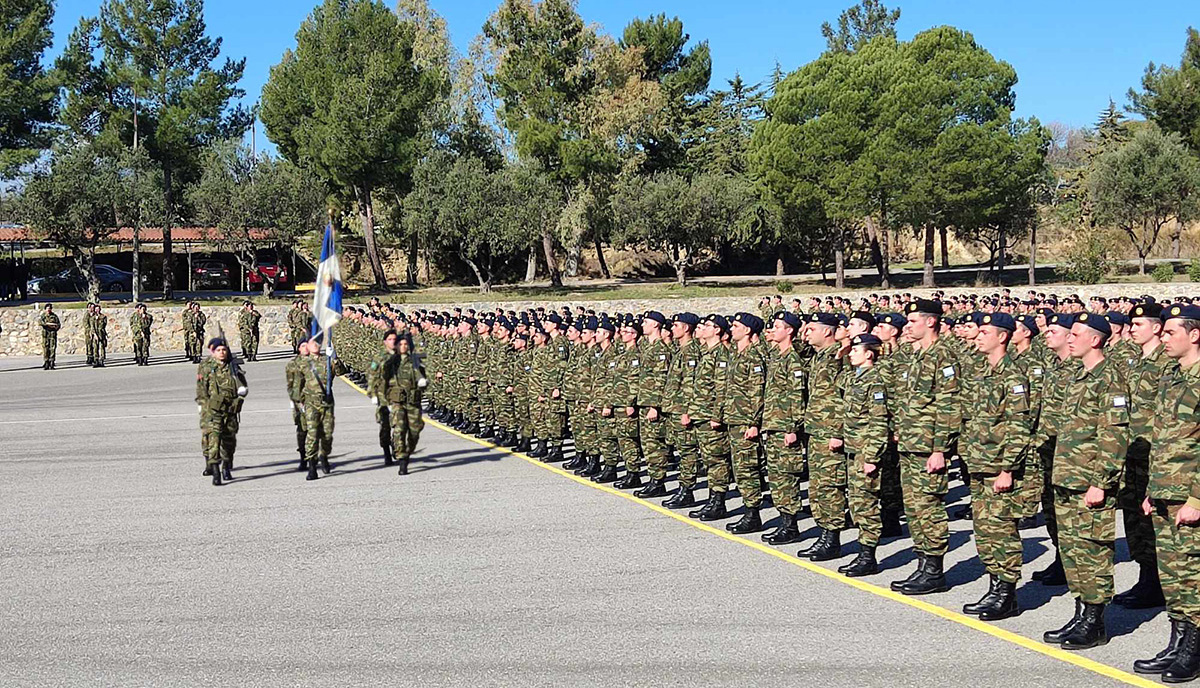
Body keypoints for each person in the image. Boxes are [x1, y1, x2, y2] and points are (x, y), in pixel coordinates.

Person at [1044, 312, 1130, 650]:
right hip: (1068, 478)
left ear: (1095, 339)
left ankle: (1095, 621)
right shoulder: (1080, 377)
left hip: (1090, 482)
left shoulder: (1110, 379)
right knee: (1073, 550)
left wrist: (1101, 482)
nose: (1069, 339)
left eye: (1076, 334)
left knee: (1092, 550)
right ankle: (1081, 611)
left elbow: (1113, 435)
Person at [1136, 304, 1200, 681]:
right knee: (1173, 575)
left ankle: (1194, 648)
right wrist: (1151, 488)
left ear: (1194, 334)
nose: (1163, 337)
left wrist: (1196, 499)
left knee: (1192, 573)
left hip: (1189, 494)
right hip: (1164, 489)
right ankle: (1178, 640)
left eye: (1170, 332)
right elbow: (1162, 439)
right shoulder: (1172, 376)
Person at [960, 313, 1032, 621]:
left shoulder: (1013, 377)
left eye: (985, 332)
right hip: (979, 463)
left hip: (999, 468)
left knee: (1002, 530)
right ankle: (993, 585)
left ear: (1002, 337)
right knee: (985, 530)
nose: (978, 336)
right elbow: (970, 419)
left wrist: (1007, 469)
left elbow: (1019, 427)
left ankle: (1007, 593)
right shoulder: (981, 373)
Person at [891, 299, 960, 596]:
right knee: (915, 508)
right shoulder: (914, 355)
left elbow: (948, 405)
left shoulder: (943, 356)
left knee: (929, 508)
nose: (908, 326)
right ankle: (922, 563)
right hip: (910, 443)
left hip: (929, 446)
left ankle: (934, 570)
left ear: (931, 322)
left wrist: (939, 449)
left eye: (913, 321)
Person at [835, 333, 891, 576]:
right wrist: (841, 356)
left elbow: (879, 422)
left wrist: (872, 457)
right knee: (857, 503)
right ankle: (863, 553)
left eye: (856, 350)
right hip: (853, 448)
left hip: (865, 450)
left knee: (866, 504)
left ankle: (868, 557)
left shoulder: (875, 382)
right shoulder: (855, 378)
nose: (851, 353)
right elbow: (838, 381)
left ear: (869, 354)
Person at [760, 311, 809, 545]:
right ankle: (783, 521)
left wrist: (792, 427)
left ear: (789, 330)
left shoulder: (792, 359)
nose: (773, 329)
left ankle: (791, 526)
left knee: (787, 476)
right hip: (772, 424)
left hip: (785, 426)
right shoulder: (776, 356)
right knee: (776, 475)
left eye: (778, 326)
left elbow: (797, 396)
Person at [723, 312, 768, 534]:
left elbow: (757, 392)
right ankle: (748, 510)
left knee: (748, 468)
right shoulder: (735, 354)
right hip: (733, 418)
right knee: (739, 469)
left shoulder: (753, 357)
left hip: (745, 422)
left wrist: (753, 423)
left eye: (736, 326)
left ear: (748, 331)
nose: (732, 328)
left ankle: (753, 513)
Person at [293, 339, 347, 481]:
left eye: (317, 343)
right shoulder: (302, 363)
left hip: (327, 401)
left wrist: (335, 359)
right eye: (312, 344)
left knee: (327, 434)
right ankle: (312, 465)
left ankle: (324, 456)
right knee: (312, 433)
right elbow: (297, 384)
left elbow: (342, 372)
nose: (315, 346)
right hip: (310, 402)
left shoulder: (327, 361)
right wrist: (298, 403)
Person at [196, 338, 247, 486]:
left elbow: (242, 387)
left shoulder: (233, 367)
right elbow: (202, 389)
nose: (222, 353)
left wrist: (239, 401)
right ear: (213, 352)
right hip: (213, 410)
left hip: (230, 409)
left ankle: (226, 466)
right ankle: (215, 470)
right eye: (218, 350)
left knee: (229, 441)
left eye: (224, 350)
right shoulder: (206, 367)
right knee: (214, 440)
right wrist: (204, 407)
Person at [381, 332, 427, 475]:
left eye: (405, 344)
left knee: (414, 431)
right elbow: (382, 378)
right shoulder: (391, 361)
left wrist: (423, 381)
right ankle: (402, 459)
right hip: (397, 401)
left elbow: (421, 375)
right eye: (400, 344)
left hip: (413, 401)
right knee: (399, 429)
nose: (403, 346)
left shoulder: (414, 360)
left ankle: (406, 451)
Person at [285, 344, 310, 471]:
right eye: (303, 345)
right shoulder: (292, 364)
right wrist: (294, 400)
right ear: (299, 348)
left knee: (316, 430)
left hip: (314, 400)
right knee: (302, 430)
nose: (306, 348)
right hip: (299, 402)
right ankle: (303, 456)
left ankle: (314, 457)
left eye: (308, 345)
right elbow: (290, 384)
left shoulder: (316, 361)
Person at [39, 303, 60, 370]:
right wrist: (47, 324)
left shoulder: (54, 316)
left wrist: (55, 326)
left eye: (50, 308)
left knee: (52, 348)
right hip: (46, 335)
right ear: (45, 309)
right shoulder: (43, 316)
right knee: (46, 348)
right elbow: (40, 323)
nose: (48, 310)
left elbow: (58, 324)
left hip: (52, 334)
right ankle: (46, 362)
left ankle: (52, 362)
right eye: (47, 308)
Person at [91, 304, 108, 368]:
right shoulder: (92, 318)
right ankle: (96, 360)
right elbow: (92, 327)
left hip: (101, 333)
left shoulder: (103, 317)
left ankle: (102, 360)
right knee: (95, 347)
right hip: (95, 334)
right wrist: (94, 334)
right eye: (96, 309)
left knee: (102, 347)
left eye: (98, 309)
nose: (97, 310)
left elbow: (104, 325)